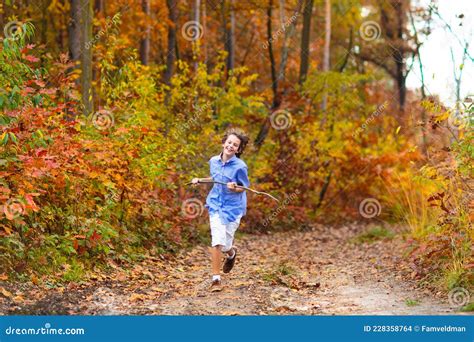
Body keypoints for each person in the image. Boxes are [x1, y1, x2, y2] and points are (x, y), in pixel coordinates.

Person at [192, 129, 250, 292]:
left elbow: (244, 187)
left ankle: (231, 253)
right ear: (224, 143)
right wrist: (200, 180)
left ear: (238, 150)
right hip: (216, 205)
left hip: (233, 208)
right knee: (217, 241)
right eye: (229, 142)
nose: (231, 146)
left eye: (235, 145)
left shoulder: (240, 167)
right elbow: (215, 179)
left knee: (225, 245)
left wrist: (235, 187)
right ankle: (216, 280)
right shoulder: (213, 161)